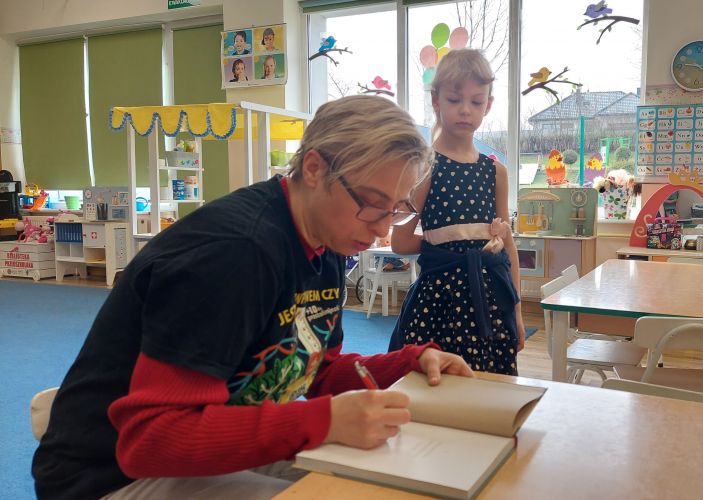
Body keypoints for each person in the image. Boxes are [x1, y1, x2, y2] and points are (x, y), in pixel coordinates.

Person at [32, 95, 474, 499]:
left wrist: (407, 363)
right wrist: (324, 421)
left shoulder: (328, 239)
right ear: (315, 168)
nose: (381, 228)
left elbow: (315, 371)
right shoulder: (237, 252)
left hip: (203, 442)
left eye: (397, 209)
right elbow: (150, 440)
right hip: (110, 478)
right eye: (373, 204)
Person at [388, 49, 525, 375]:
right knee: (436, 385)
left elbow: (506, 245)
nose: (465, 110)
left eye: (476, 102)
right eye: (454, 99)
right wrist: (450, 247)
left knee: (490, 387)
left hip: (491, 304)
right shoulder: (425, 168)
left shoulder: (496, 172)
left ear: (488, 105)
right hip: (438, 305)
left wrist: (517, 313)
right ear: (436, 100)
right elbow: (400, 241)